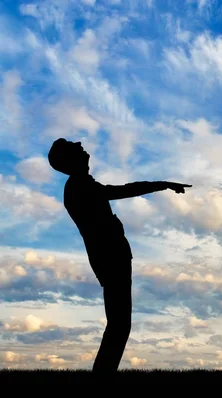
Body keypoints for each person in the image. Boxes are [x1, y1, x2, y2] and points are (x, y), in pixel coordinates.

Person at [47, 138, 191, 373]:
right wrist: (162, 184)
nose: (81, 144)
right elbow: (123, 190)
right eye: (75, 146)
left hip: (111, 257)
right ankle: (103, 375)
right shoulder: (79, 186)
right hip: (110, 258)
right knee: (119, 323)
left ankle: (104, 374)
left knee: (119, 322)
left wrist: (161, 185)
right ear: (70, 160)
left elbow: (117, 192)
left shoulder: (80, 185)